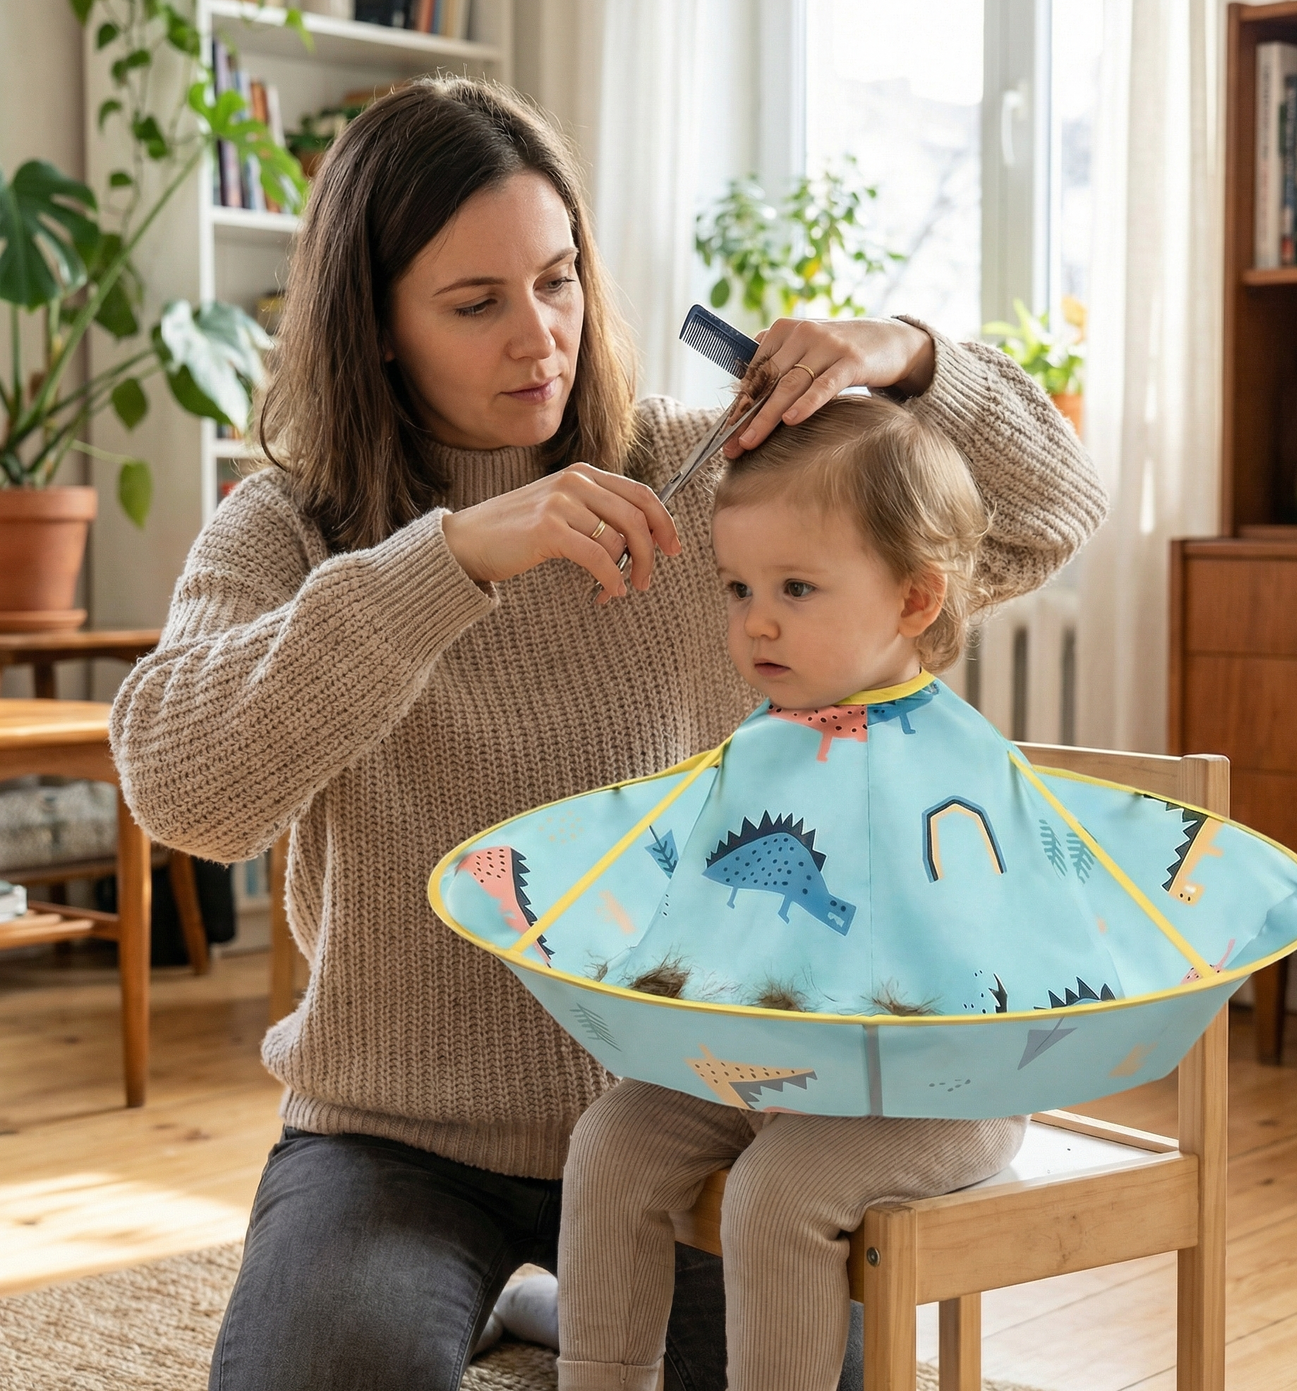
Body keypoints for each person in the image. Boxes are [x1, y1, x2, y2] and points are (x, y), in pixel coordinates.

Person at [109, 76, 1107, 1391]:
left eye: (559, 278)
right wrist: (447, 561)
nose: (541, 335)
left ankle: (544, 1299)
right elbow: (184, 788)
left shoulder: (713, 485)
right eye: (476, 303)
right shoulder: (293, 526)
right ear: (379, 330)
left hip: (701, 1114)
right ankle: (520, 1290)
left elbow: (1049, 516)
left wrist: (907, 355)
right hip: (398, 1142)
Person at [554, 397, 1028, 1391]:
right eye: (737, 587)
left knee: (774, 1193)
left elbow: (989, 955)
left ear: (911, 599)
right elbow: (705, 906)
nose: (754, 619)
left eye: (796, 587)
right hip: (771, 1065)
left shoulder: (956, 767)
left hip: (940, 1090)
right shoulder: (761, 741)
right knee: (609, 1140)